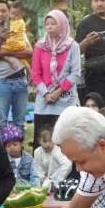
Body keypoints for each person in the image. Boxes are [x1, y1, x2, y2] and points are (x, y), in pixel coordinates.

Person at [31, 9, 81, 145]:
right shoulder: (40, 46)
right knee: (42, 139)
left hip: (66, 99)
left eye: (53, 23)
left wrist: (58, 92)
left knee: (66, 139)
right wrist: (46, 94)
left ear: (63, 24)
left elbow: (75, 73)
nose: (49, 27)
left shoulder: (73, 46)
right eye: (47, 24)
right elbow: (36, 74)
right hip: (44, 100)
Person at [0, 0, 30, 132]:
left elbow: (29, 52)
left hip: (21, 80)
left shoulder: (18, 29)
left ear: (9, 13)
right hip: (2, 83)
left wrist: (4, 52)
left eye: (3, 11)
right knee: (1, 122)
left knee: (20, 122)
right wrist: (1, 40)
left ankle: (17, 152)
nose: (0, 14)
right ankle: (2, 152)